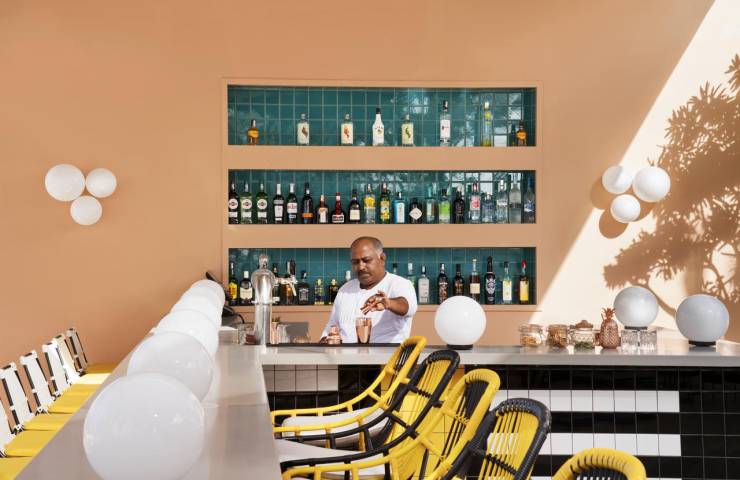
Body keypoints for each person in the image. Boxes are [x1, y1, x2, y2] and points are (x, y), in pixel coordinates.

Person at [320, 236, 417, 343]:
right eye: (355, 262)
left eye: (366, 260)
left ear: (382, 258)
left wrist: (388, 303)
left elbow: (407, 308)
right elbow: (332, 326)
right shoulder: (345, 289)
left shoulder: (399, 284)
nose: (361, 267)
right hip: (345, 353)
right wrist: (325, 340)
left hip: (387, 353)